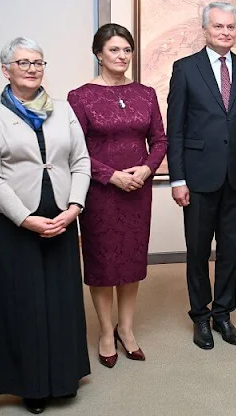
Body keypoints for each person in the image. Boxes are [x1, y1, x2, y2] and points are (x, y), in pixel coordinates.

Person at [0, 37, 91, 414]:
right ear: (5, 69)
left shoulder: (63, 109)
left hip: (60, 216)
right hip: (11, 223)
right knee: (22, 304)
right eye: (23, 63)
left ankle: (62, 377)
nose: (32, 68)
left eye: (38, 62)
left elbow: (81, 162)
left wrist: (75, 206)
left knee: (60, 301)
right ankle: (32, 386)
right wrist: (25, 219)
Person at [68, 24, 168, 367]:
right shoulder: (80, 96)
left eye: (127, 50)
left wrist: (146, 169)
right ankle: (106, 331)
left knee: (130, 261)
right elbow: (75, 149)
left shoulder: (146, 93)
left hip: (138, 190)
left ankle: (127, 329)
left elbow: (160, 140)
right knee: (103, 262)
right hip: (100, 193)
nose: (122, 56)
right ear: (98, 53)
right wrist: (110, 176)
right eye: (114, 50)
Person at [167, 2, 236, 349]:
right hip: (197, 177)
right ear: (205, 30)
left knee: (230, 250)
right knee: (197, 250)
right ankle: (200, 316)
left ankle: (223, 313)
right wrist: (177, 179)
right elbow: (174, 129)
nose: (226, 32)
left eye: (230, 27)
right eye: (219, 27)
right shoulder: (185, 69)